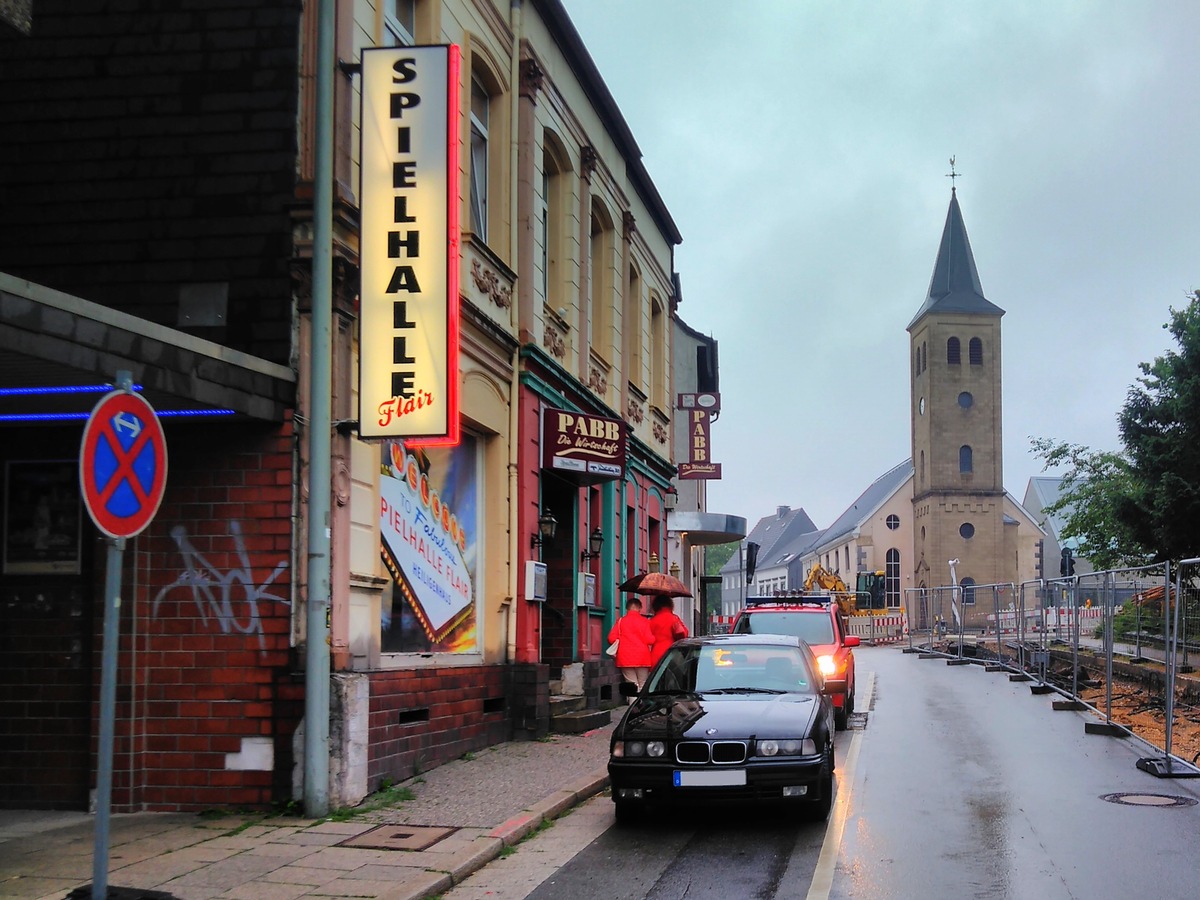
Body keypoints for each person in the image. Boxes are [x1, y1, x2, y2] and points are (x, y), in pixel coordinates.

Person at [609, 597, 655, 698]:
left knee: (631, 686)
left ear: (627, 608)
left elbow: (611, 638)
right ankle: (642, 707)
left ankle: (633, 708)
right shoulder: (645, 622)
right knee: (643, 684)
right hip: (642, 657)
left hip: (625, 657)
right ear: (639, 608)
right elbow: (650, 640)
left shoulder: (620, 621)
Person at [648, 595, 689, 668]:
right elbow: (685, 633)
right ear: (670, 605)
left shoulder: (652, 621)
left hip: (655, 654)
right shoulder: (674, 618)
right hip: (671, 653)